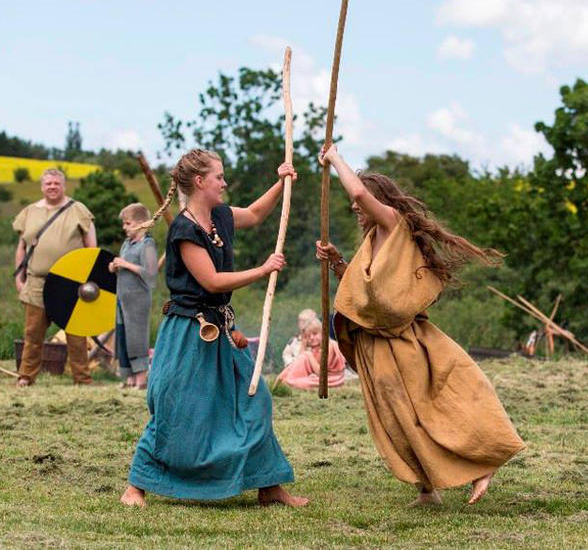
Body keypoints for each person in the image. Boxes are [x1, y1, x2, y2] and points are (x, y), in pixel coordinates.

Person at [316, 144, 525, 506]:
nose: (354, 208)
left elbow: (359, 192)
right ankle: (428, 490)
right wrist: (338, 263)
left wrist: (335, 158)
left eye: (360, 204)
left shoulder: (393, 225)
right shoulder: (372, 241)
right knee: (396, 421)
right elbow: (369, 293)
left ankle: (480, 464)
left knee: (426, 413)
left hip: (401, 344)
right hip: (374, 345)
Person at [120, 149, 307, 508]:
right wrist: (263, 270)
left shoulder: (219, 215)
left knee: (255, 399)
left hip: (220, 328)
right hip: (189, 331)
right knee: (176, 407)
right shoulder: (185, 229)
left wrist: (281, 182)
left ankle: (268, 485)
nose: (224, 182)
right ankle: (137, 485)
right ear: (200, 181)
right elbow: (212, 280)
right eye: (219, 177)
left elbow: (253, 214)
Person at [13, 168, 97, 387]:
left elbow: (91, 247)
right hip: (37, 282)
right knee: (33, 333)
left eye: (56, 183)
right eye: (48, 183)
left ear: (64, 185)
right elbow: (21, 248)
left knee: (76, 333)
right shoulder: (29, 212)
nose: (52, 187)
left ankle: (82, 378)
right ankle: (26, 376)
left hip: (69, 283)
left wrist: (88, 277)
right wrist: (18, 278)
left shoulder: (78, 210)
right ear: (42, 186)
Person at [108, 203, 158, 389]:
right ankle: (128, 378)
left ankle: (141, 379)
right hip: (123, 299)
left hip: (138, 300)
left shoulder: (148, 245)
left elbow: (151, 274)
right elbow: (123, 265)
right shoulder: (126, 245)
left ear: (141, 223)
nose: (124, 228)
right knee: (123, 336)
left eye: (127, 223)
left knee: (137, 338)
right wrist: (114, 267)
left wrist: (126, 265)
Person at [273, 317, 346, 390]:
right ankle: (283, 379)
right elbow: (298, 361)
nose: (311, 338)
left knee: (299, 381)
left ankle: (288, 381)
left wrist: (309, 355)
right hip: (317, 377)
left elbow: (322, 373)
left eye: (315, 334)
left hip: (331, 379)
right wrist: (303, 345)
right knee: (303, 358)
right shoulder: (315, 348)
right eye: (307, 336)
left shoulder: (329, 346)